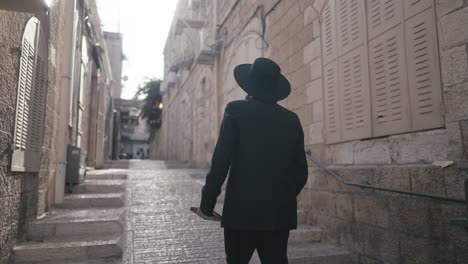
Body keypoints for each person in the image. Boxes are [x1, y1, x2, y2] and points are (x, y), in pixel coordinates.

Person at [197, 57, 308, 263]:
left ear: (250, 84)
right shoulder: (292, 120)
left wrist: (207, 202)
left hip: (241, 214)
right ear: (275, 87)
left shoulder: (236, 110)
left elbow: (221, 160)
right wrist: (281, 196)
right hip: (278, 215)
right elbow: (301, 172)